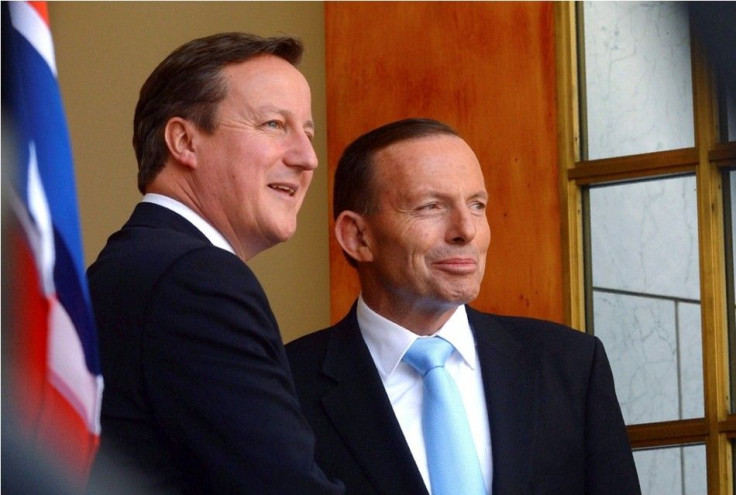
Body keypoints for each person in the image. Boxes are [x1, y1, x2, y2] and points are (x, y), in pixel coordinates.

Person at [286, 118, 641, 494]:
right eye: (431, 206)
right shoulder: (286, 386)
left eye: (476, 205)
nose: (466, 230)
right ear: (358, 236)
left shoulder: (570, 365)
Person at [86, 32, 343, 494]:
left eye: (307, 132)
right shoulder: (195, 280)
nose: (308, 158)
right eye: (273, 125)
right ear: (184, 140)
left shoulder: (138, 263)